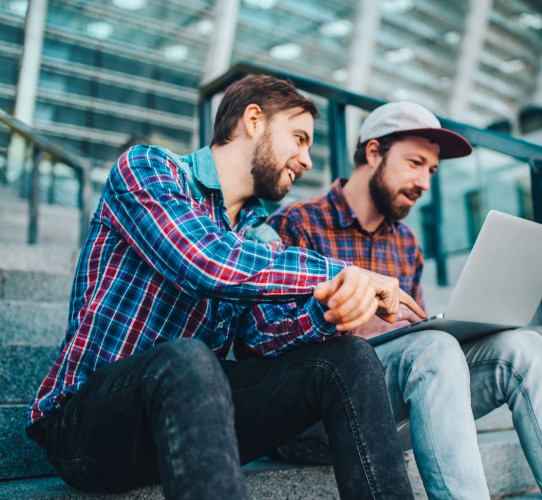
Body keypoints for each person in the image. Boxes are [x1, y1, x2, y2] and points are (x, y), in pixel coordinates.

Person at [25, 76, 423, 499]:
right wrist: (343, 271)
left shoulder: (261, 238)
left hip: (193, 419)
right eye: (299, 138)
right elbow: (205, 261)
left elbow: (265, 340)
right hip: (87, 426)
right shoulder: (148, 169)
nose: (307, 160)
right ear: (254, 120)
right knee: (189, 358)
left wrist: (327, 311)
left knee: (349, 357)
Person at [266, 101, 542, 499]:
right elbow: (271, 347)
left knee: (525, 345)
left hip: (386, 408)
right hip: (314, 419)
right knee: (433, 347)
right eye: (415, 163)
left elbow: (407, 344)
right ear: (374, 152)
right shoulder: (297, 223)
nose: (425, 182)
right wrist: (363, 319)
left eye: (432, 171)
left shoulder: (406, 243)